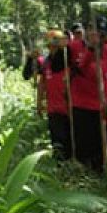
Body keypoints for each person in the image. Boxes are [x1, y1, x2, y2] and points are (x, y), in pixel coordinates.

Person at [68, 23, 106, 172]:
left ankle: (99, 174)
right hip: (81, 104)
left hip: (102, 105)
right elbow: (78, 67)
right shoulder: (76, 47)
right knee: (83, 145)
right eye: (91, 30)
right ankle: (83, 175)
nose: (94, 33)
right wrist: (91, 48)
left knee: (99, 146)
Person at [41, 30, 71, 160]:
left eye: (54, 46)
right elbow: (42, 83)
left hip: (68, 109)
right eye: (49, 46)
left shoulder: (67, 62)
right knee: (57, 142)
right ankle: (60, 167)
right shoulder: (46, 63)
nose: (51, 49)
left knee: (69, 140)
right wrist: (39, 102)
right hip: (53, 109)